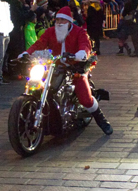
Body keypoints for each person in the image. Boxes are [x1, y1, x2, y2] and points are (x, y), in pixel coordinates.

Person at [21, 7, 113, 135]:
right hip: (54, 66)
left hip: (76, 66)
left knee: (85, 97)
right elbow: (39, 44)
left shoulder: (79, 31)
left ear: (69, 22)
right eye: (57, 20)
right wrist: (27, 53)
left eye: (63, 20)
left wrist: (81, 54)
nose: (59, 23)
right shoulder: (50, 31)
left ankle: (101, 119)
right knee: (39, 84)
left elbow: (85, 45)